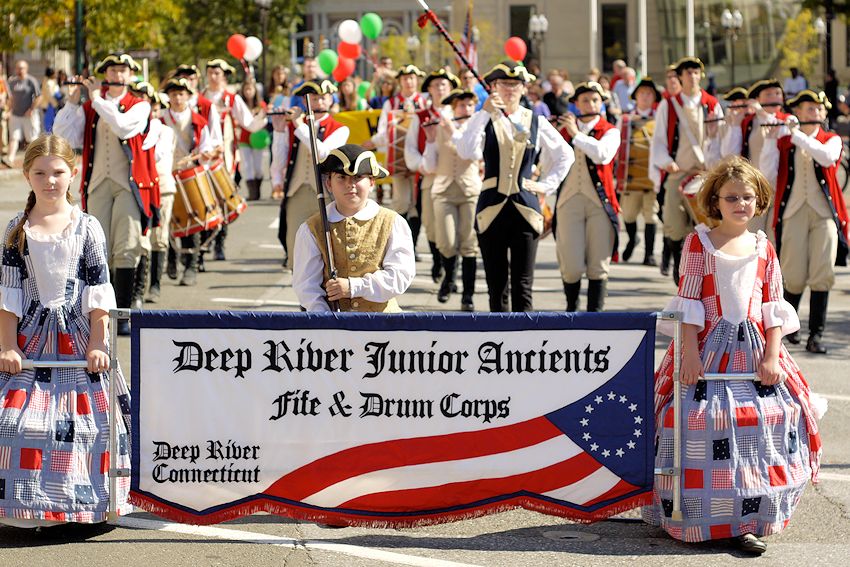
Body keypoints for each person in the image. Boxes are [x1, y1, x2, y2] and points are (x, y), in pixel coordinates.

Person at [647, 156, 824, 555]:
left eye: (748, 197)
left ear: (759, 200)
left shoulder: (764, 248)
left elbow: (772, 307)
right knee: (696, 420)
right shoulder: (699, 243)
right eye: (732, 198)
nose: (740, 204)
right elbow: (689, 304)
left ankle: (747, 520)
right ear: (715, 202)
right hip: (707, 348)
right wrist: (688, 357)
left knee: (761, 425)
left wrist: (772, 358)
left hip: (755, 349)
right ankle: (699, 519)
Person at [0, 134, 132, 528]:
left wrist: (98, 342)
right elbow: (8, 296)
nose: (50, 180)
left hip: (76, 341)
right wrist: (7, 346)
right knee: (14, 421)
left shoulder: (88, 228)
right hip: (32, 343)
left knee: (85, 425)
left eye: (58, 172)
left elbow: (97, 291)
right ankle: (23, 507)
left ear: (72, 175)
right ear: (27, 176)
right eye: (40, 173)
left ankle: (79, 504)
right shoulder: (15, 230)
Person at [53, 53, 158, 335]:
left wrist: (96, 100)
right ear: (105, 74)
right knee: (99, 251)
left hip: (128, 185)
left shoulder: (141, 105)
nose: (118, 75)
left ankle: (123, 314)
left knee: (126, 248)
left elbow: (122, 125)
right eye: (113, 70)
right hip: (98, 182)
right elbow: (64, 135)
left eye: (123, 70)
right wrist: (74, 101)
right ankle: (98, 315)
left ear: (130, 75)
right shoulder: (90, 107)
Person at [456, 61, 572, 312]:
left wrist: (546, 185)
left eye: (515, 84)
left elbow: (566, 154)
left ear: (523, 88)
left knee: (523, 285)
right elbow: (465, 150)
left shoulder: (536, 121)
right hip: (490, 209)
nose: (509, 89)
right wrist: (484, 112)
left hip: (526, 210)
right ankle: (498, 343)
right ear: (493, 88)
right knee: (496, 285)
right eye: (502, 84)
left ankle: (524, 345)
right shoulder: (483, 119)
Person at [760, 90, 848, 354]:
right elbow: (766, 172)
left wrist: (796, 134)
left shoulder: (831, 139)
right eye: (809, 108)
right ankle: (791, 327)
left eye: (819, 109)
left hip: (824, 214)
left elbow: (826, 157)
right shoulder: (785, 141)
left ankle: (816, 335)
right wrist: (770, 139)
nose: (816, 113)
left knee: (823, 273)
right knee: (793, 274)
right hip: (794, 211)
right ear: (797, 112)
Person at [292, 144, 415, 312]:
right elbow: (306, 286)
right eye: (341, 177)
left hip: (384, 328)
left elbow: (399, 277)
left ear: (371, 182)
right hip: (334, 330)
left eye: (358, 177)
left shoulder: (393, 222)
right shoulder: (312, 228)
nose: (350, 184)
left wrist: (354, 287)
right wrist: (326, 319)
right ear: (329, 184)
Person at [650, 56, 723, 285]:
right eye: (687, 73)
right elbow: (659, 139)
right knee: (672, 221)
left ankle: (701, 271)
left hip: (705, 173)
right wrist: (665, 162)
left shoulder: (712, 104)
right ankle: (676, 259)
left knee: (706, 223)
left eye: (695, 72)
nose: (692, 76)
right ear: (679, 77)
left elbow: (721, 140)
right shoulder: (668, 105)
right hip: (678, 171)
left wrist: (714, 136)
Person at [555, 82, 621, 311]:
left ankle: (595, 318)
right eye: (585, 100)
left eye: (595, 100)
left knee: (598, 265)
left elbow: (601, 155)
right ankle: (571, 311)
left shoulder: (610, 131)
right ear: (576, 105)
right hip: (568, 201)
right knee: (571, 265)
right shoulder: (562, 131)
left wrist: (575, 134)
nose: (590, 104)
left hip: (599, 204)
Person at [270, 79, 348, 270]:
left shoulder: (340, 129)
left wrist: (299, 125)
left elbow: (322, 154)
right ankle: (303, 296)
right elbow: (280, 160)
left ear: (331, 100)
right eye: (313, 98)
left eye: (323, 98)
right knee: (295, 246)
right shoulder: (294, 126)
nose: (319, 103)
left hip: (326, 194)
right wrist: (279, 132)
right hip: (296, 192)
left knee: (327, 248)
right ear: (305, 102)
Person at [421, 89, 482, 309]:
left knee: (469, 244)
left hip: (469, 191)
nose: (465, 110)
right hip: (444, 190)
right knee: (446, 242)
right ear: (453, 108)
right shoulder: (440, 128)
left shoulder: (478, 129)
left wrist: (454, 130)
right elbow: (429, 166)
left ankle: (468, 295)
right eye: (461, 106)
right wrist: (429, 142)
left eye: (469, 106)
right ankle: (448, 278)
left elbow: (473, 155)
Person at [406, 68, 461, 283]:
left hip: (456, 178)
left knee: (454, 228)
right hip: (430, 177)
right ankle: (438, 261)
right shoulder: (420, 117)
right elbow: (410, 147)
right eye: (436, 85)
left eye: (444, 85)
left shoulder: (460, 114)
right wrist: (422, 165)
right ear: (429, 89)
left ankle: (451, 273)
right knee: (430, 223)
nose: (440, 89)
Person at [365, 64, 427, 240]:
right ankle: (401, 244)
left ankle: (413, 245)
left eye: (412, 78)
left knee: (417, 205)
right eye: (405, 78)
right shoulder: (390, 103)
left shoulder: (424, 102)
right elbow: (384, 130)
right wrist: (374, 141)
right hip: (399, 159)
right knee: (401, 203)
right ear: (400, 81)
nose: (409, 82)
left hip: (420, 159)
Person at [721, 79, 789, 238]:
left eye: (778, 93)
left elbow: (777, 129)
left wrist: (762, 112)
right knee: (753, 235)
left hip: (779, 188)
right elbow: (730, 154)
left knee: (774, 238)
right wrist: (735, 123)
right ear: (757, 99)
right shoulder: (749, 122)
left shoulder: (786, 120)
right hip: (754, 188)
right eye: (769, 94)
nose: (775, 97)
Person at [616, 77, 662, 266]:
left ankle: (649, 254)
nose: (645, 96)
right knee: (628, 216)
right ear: (635, 96)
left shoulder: (660, 117)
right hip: (631, 177)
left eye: (649, 93)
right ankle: (632, 239)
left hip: (651, 179)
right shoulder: (625, 119)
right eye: (642, 93)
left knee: (651, 217)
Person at [4, 60, 41, 169]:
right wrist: (9, 110)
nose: (20, 70)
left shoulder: (31, 81)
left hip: (28, 115)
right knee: (14, 137)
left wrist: (31, 109)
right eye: (18, 68)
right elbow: (10, 98)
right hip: (16, 114)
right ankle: (10, 159)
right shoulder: (13, 82)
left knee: (31, 139)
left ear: (26, 69)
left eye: (22, 68)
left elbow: (39, 97)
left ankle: (36, 160)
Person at [237, 79, 267, 201]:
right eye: (246, 89)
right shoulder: (240, 105)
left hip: (258, 139)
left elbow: (264, 121)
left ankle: (258, 188)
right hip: (244, 139)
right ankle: (252, 193)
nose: (248, 92)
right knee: (248, 165)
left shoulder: (261, 105)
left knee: (258, 166)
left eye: (250, 89)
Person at [39, 67, 60, 134]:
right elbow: (50, 95)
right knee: (49, 125)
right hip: (49, 105)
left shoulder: (48, 81)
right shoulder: (48, 82)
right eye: (55, 73)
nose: (56, 75)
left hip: (49, 105)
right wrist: (56, 104)